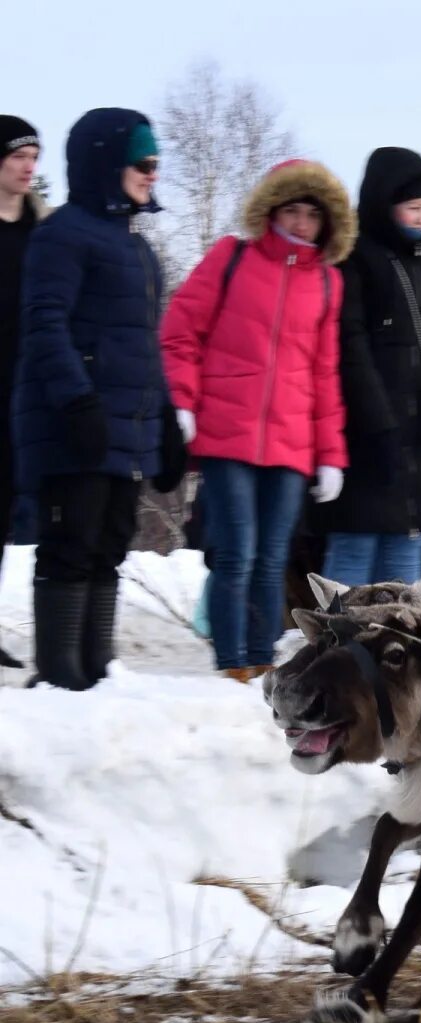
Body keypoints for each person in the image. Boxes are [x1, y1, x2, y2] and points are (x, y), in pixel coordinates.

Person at [13, 108, 186, 690]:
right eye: (141, 162)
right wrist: (76, 403)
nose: (150, 174)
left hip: (125, 431)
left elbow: (144, 347)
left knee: (110, 545)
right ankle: (61, 676)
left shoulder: (139, 250)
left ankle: (95, 675)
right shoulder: (61, 235)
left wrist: (162, 420)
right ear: (106, 164)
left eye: (155, 164)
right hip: (73, 427)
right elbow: (43, 326)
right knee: (72, 544)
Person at [160, 158, 353, 680]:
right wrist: (182, 401)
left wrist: (331, 456)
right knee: (237, 553)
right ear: (271, 210)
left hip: (290, 447)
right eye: (291, 210)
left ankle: (261, 660)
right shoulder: (232, 258)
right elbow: (179, 332)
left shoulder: (329, 285)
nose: (300, 223)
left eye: (311, 215)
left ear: (326, 222)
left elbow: (325, 375)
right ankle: (231, 663)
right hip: (227, 436)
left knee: (271, 560)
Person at [318, 148, 421, 586]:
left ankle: (391, 646)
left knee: (408, 542)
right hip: (368, 432)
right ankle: (339, 642)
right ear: (386, 202)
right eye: (413, 208)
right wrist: (377, 423)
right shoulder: (356, 255)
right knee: (356, 545)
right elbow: (352, 345)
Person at [0, 114, 48, 669]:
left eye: (33, 156)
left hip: (20, 393)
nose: (28, 166)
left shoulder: (40, 229)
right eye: (17, 155)